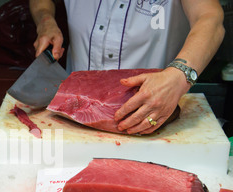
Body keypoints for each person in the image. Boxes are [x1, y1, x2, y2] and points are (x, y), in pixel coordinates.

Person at [29, 0, 225, 134]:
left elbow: (210, 18)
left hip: (151, 116)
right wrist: (45, 21)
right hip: (71, 117)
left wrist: (179, 76)